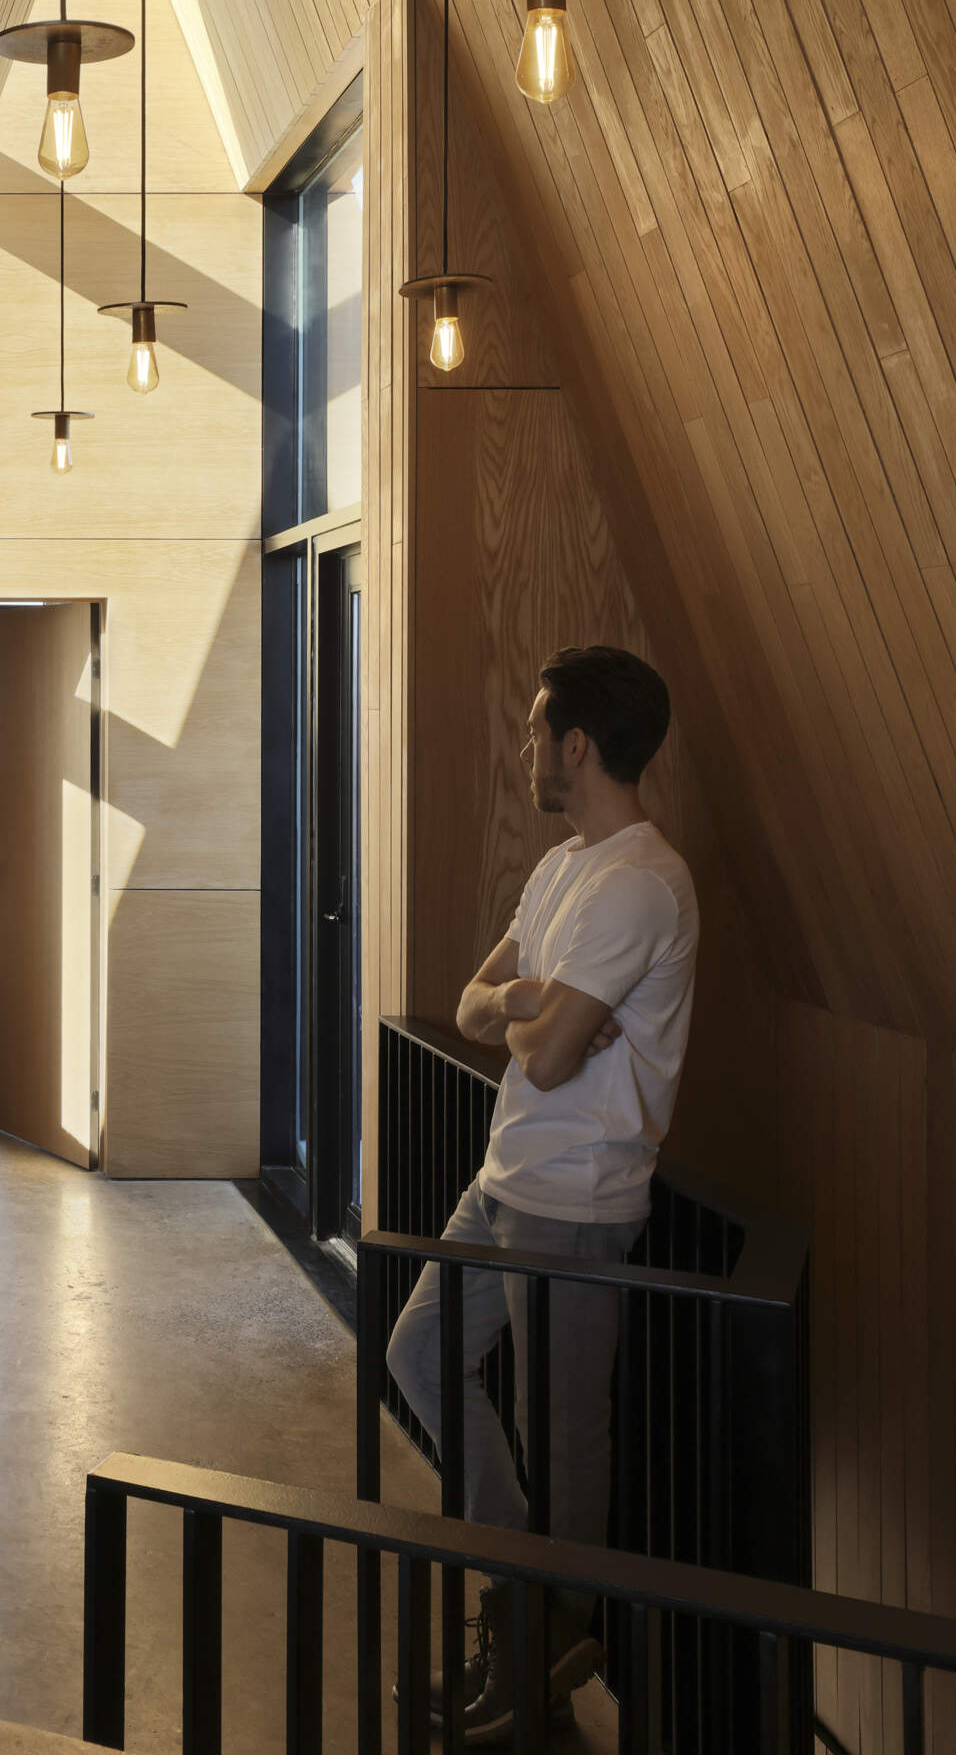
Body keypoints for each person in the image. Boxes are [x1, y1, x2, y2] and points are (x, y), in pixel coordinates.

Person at [386, 644, 697, 1742]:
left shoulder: (639, 884)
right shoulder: (562, 866)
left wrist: (530, 1024)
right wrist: (530, 998)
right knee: (416, 1355)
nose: (524, 746)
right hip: (503, 1177)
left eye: (533, 729)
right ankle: (532, 1604)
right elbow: (479, 1009)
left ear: (577, 744)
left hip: (577, 1201)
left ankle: (529, 1648)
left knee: (563, 1438)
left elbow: (553, 1059)